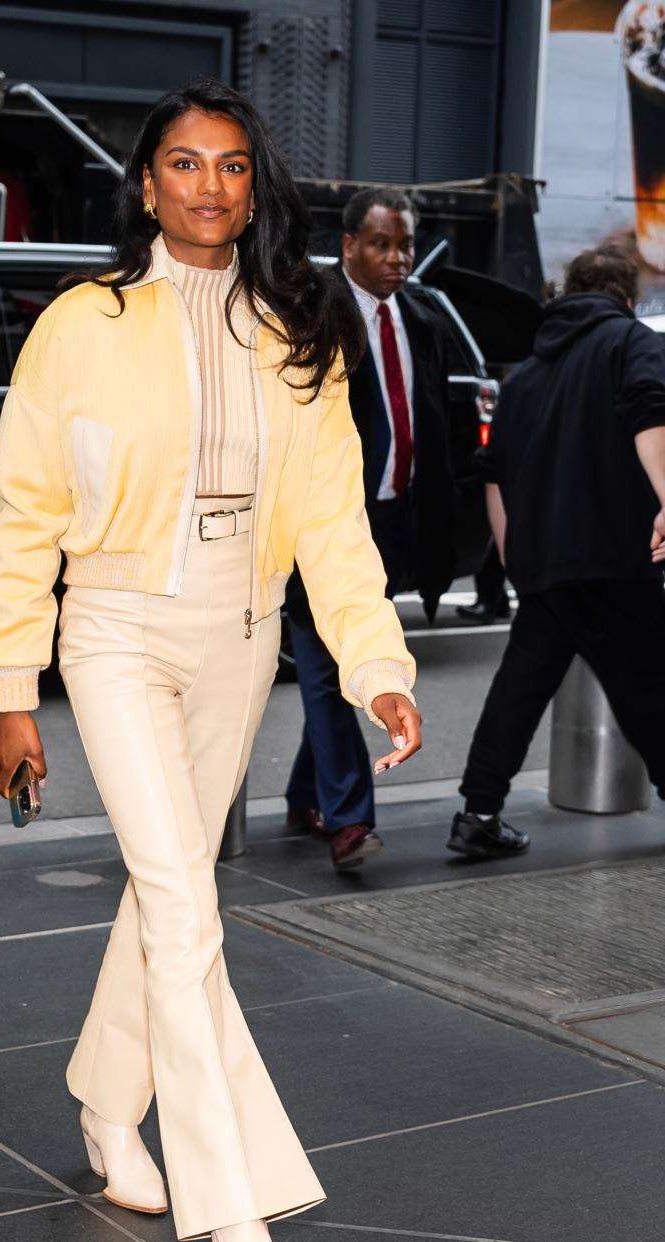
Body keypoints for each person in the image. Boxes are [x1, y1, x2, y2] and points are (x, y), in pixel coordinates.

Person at [0, 80, 422, 1242]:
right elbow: (27, 514)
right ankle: (241, 1241)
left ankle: (104, 1098)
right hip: (114, 628)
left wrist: (372, 662)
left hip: (239, 635)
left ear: (253, 184)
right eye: (184, 164)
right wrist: (14, 689)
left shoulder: (300, 327)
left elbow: (334, 521)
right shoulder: (83, 322)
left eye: (232, 166)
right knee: (184, 906)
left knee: (162, 892)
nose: (209, 186)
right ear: (148, 182)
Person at [449, 245, 665, 858]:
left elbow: (493, 471)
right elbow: (652, 412)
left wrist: (517, 554)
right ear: (625, 296)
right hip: (614, 556)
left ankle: (478, 812)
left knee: (518, 689)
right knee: (652, 686)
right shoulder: (629, 342)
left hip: (544, 561)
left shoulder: (527, 373)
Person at [284, 186, 454, 871]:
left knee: (341, 659)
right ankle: (349, 818)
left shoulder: (422, 317)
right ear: (348, 244)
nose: (398, 257)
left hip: (391, 519)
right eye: (382, 244)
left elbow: (433, 426)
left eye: (406, 244)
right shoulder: (311, 311)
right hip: (320, 520)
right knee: (324, 668)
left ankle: (306, 793)